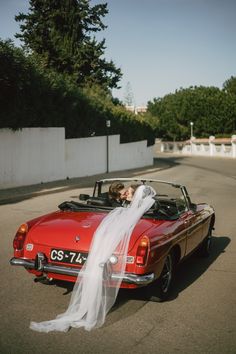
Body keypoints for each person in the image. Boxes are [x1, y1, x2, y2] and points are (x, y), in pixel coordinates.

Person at [30, 184, 156, 333]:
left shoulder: (124, 208)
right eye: (126, 192)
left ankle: (86, 301)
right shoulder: (142, 207)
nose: (126, 195)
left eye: (128, 193)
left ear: (136, 196)